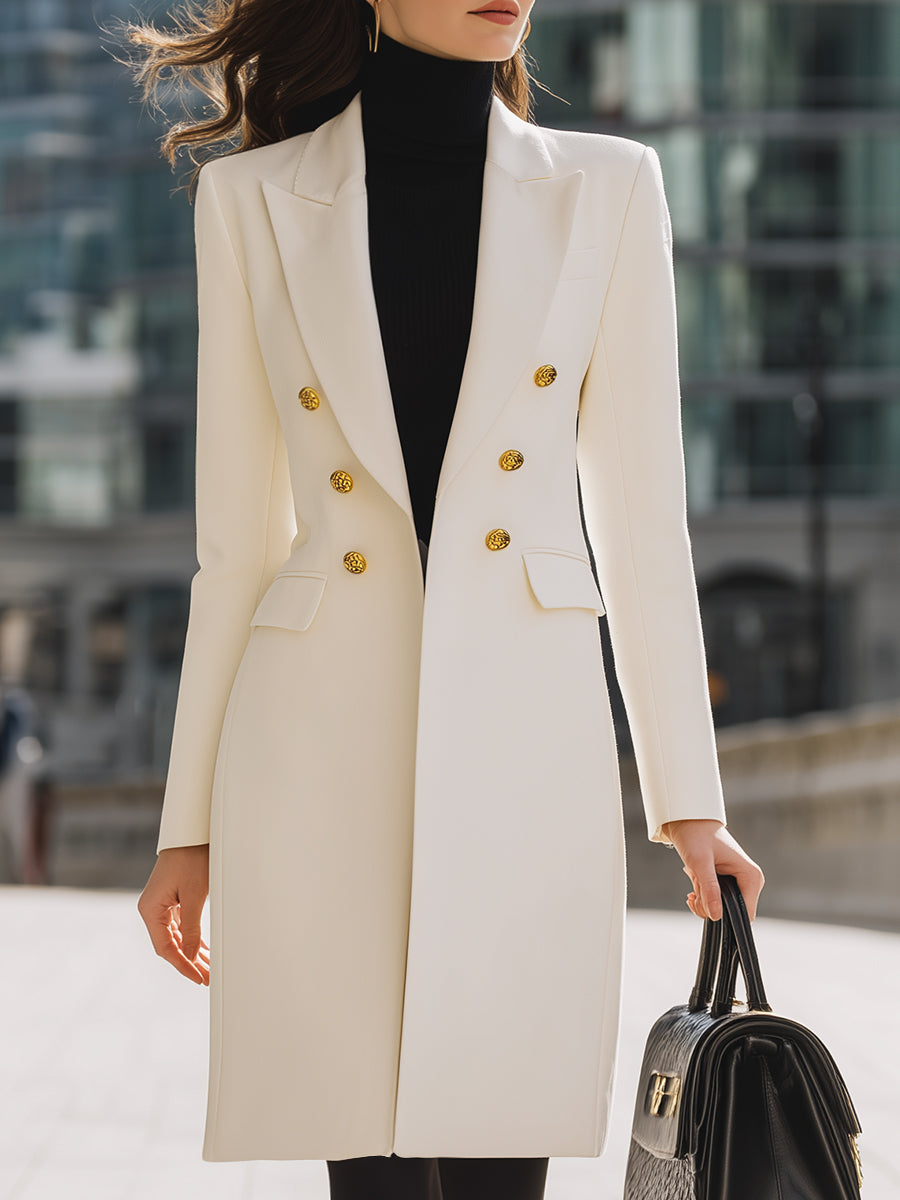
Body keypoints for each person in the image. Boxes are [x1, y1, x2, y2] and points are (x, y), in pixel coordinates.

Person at [125, 2, 765, 1197]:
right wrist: (188, 827)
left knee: (501, 1141)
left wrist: (690, 803)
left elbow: (641, 525)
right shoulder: (250, 201)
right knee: (365, 1164)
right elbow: (238, 551)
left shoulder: (610, 188)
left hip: (528, 740)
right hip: (316, 745)